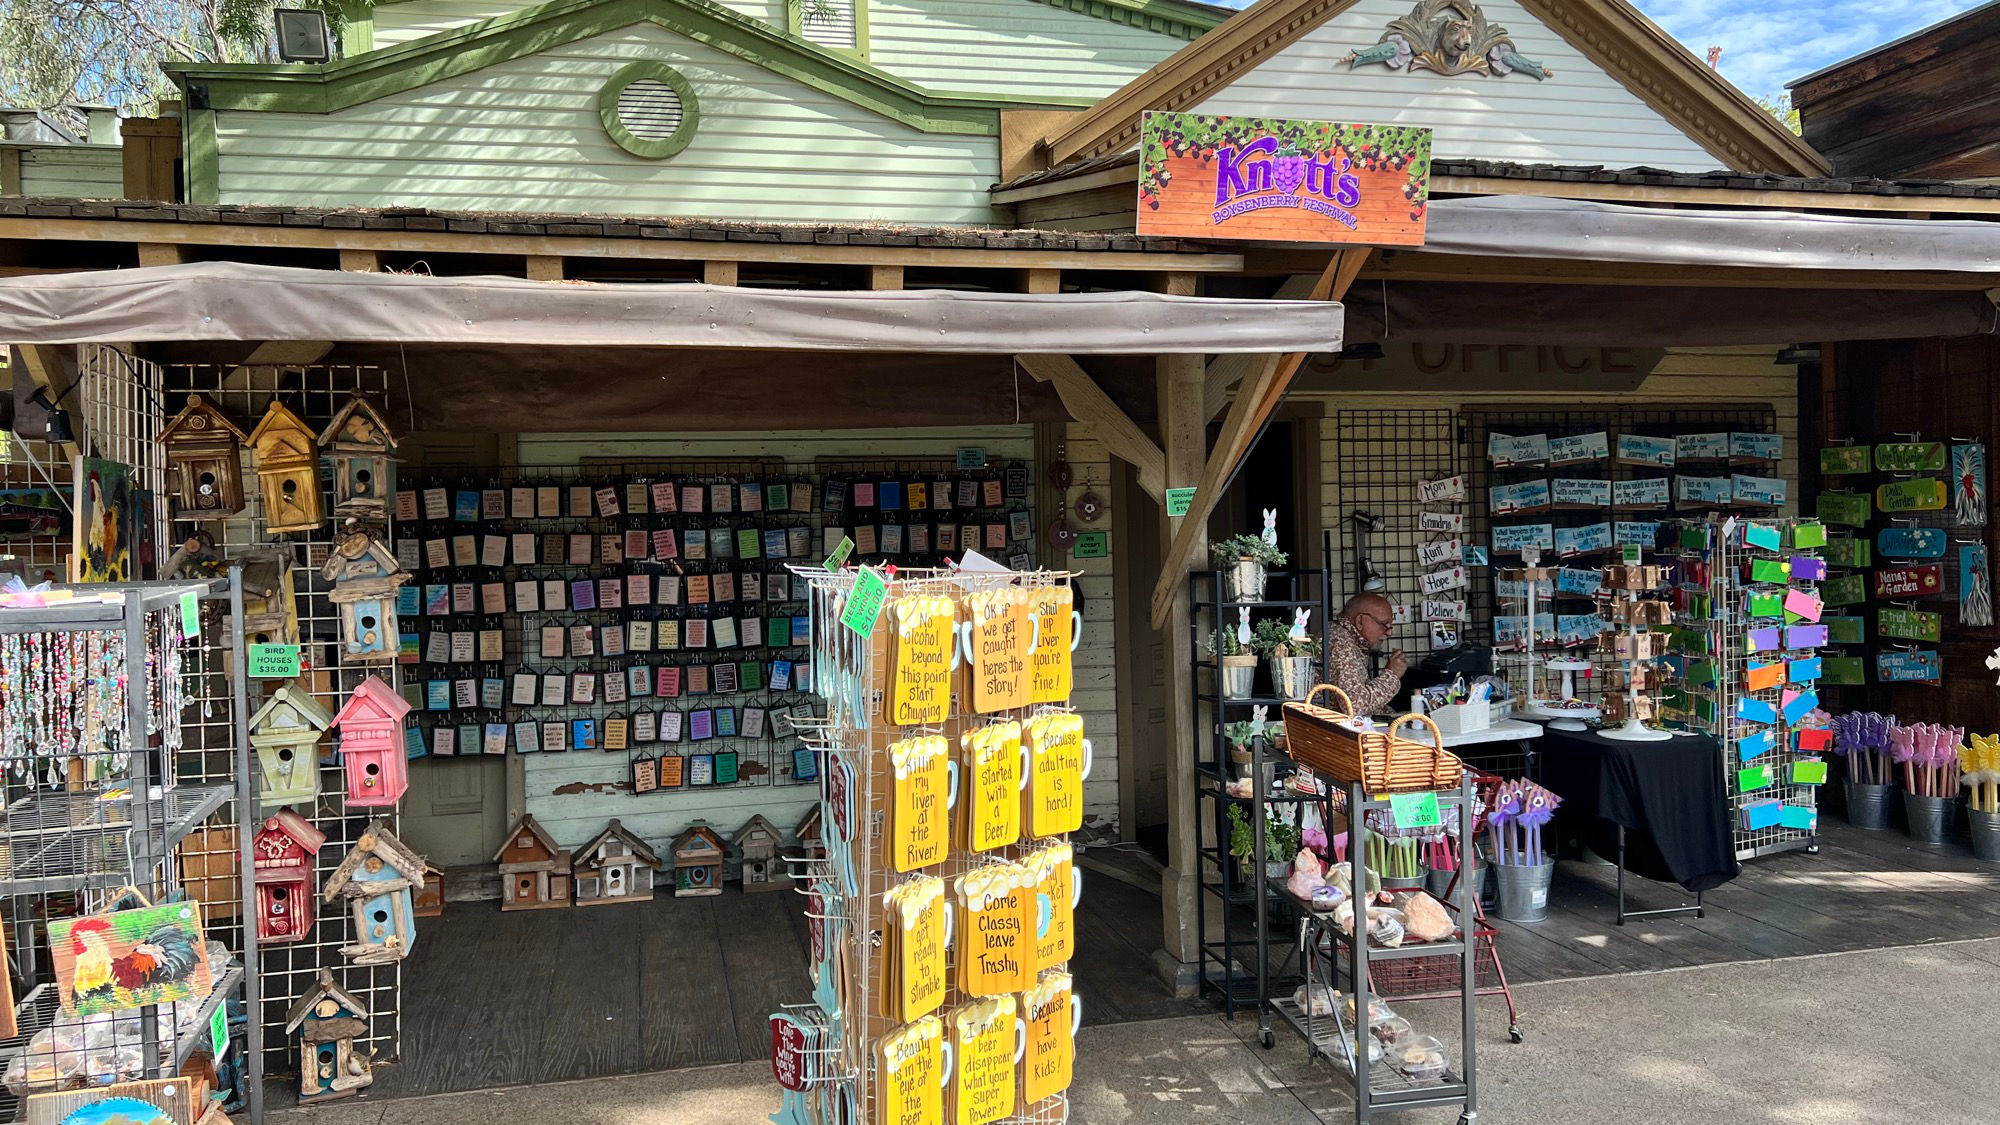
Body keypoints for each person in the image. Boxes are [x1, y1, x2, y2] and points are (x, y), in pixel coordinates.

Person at [1328, 593, 1406, 715]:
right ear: (1360, 621)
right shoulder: (1341, 644)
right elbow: (1354, 706)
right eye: (1384, 625)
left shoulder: (1344, 636)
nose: (1389, 633)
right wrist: (1391, 675)